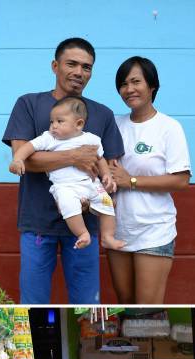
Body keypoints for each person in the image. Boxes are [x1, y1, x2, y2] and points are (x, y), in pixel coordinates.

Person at [2, 38, 124, 304]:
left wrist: (102, 190)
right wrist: (74, 157)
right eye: (72, 64)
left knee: (87, 304)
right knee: (33, 302)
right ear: (55, 66)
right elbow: (24, 161)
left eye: (87, 67)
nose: (79, 72)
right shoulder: (29, 104)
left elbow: (112, 168)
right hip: (38, 223)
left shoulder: (102, 114)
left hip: (86, 223)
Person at [108, 56, 191, 304]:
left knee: (146, 309)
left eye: (136, 81)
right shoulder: (114, 124)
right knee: (125, 303)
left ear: (152, 86)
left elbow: (181, 181)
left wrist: (130, 180)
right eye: (123, 84)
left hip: (154, 230)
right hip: (118, 230)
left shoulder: (168, 127)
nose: (129, 89)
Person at [9, 96, 124, 251]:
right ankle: (82, 233)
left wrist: (106, 176)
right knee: (69, 206)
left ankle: (108, 237)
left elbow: (100, 159)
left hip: (90, 183)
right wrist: (18, 159)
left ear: (79, 124)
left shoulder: (91, 139)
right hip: (65, 187)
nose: (53, 126)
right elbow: (28, 147)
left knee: (107, 203)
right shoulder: (49, 138)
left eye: (59, 121)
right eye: (52, 122)